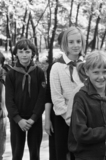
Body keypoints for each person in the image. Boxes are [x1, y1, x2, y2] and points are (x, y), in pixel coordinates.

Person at [68, 51, 106, 160]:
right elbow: (81, 134)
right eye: (96, 72)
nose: (101, 77)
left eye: (105, 72)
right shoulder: (81, 97)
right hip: (86, 156)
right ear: (87, 71)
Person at [5, 38, 46, 160]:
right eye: (21, 51)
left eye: (27, 51)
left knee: (35, 153)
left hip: (35, 119)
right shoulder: (11, 74)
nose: (24, 55)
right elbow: (9, 99)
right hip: (17, 119)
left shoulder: (39, 72)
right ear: (16, 53)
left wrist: (34, 118)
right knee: (17, 153)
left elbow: (42, 97)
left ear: (33, 53)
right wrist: (18, 119)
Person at [50, 27, 85, 160]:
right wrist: (69, 117)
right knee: (65, 154)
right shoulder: (57, 67)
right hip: (64, 118)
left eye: (78, 41)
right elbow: (57, 97)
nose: (75, 45)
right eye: (71, 42)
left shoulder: (87, 64)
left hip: (85, 118)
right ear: (65, 44)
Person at [45, 30, 64, 160]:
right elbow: (48, 94)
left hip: (80, 115)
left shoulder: (86, 66)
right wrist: (47, 119)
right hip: (58, 116)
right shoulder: (54, 67)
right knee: (58, 153)